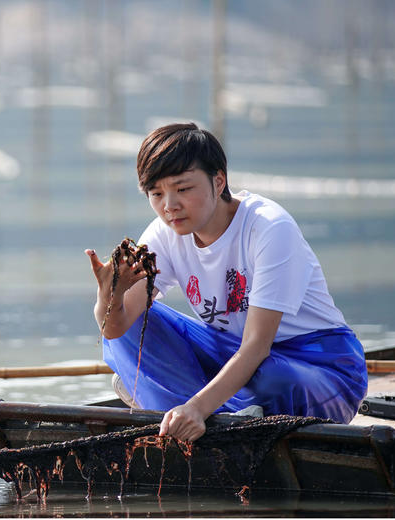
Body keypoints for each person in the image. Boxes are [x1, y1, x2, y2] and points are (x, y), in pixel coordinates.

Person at [85, 122, 367, 443]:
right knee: (133, 325)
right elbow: (115, 329)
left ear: (219, 181)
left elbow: (257, 346)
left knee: (271, 380)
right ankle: (211, 411)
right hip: (235, 354)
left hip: (319, 368)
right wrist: (109, 296)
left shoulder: (269, 228)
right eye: (156, 193)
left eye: (183, 188)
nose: (169, 205)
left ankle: (176, 401)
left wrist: (196, 406)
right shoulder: (164, 233)